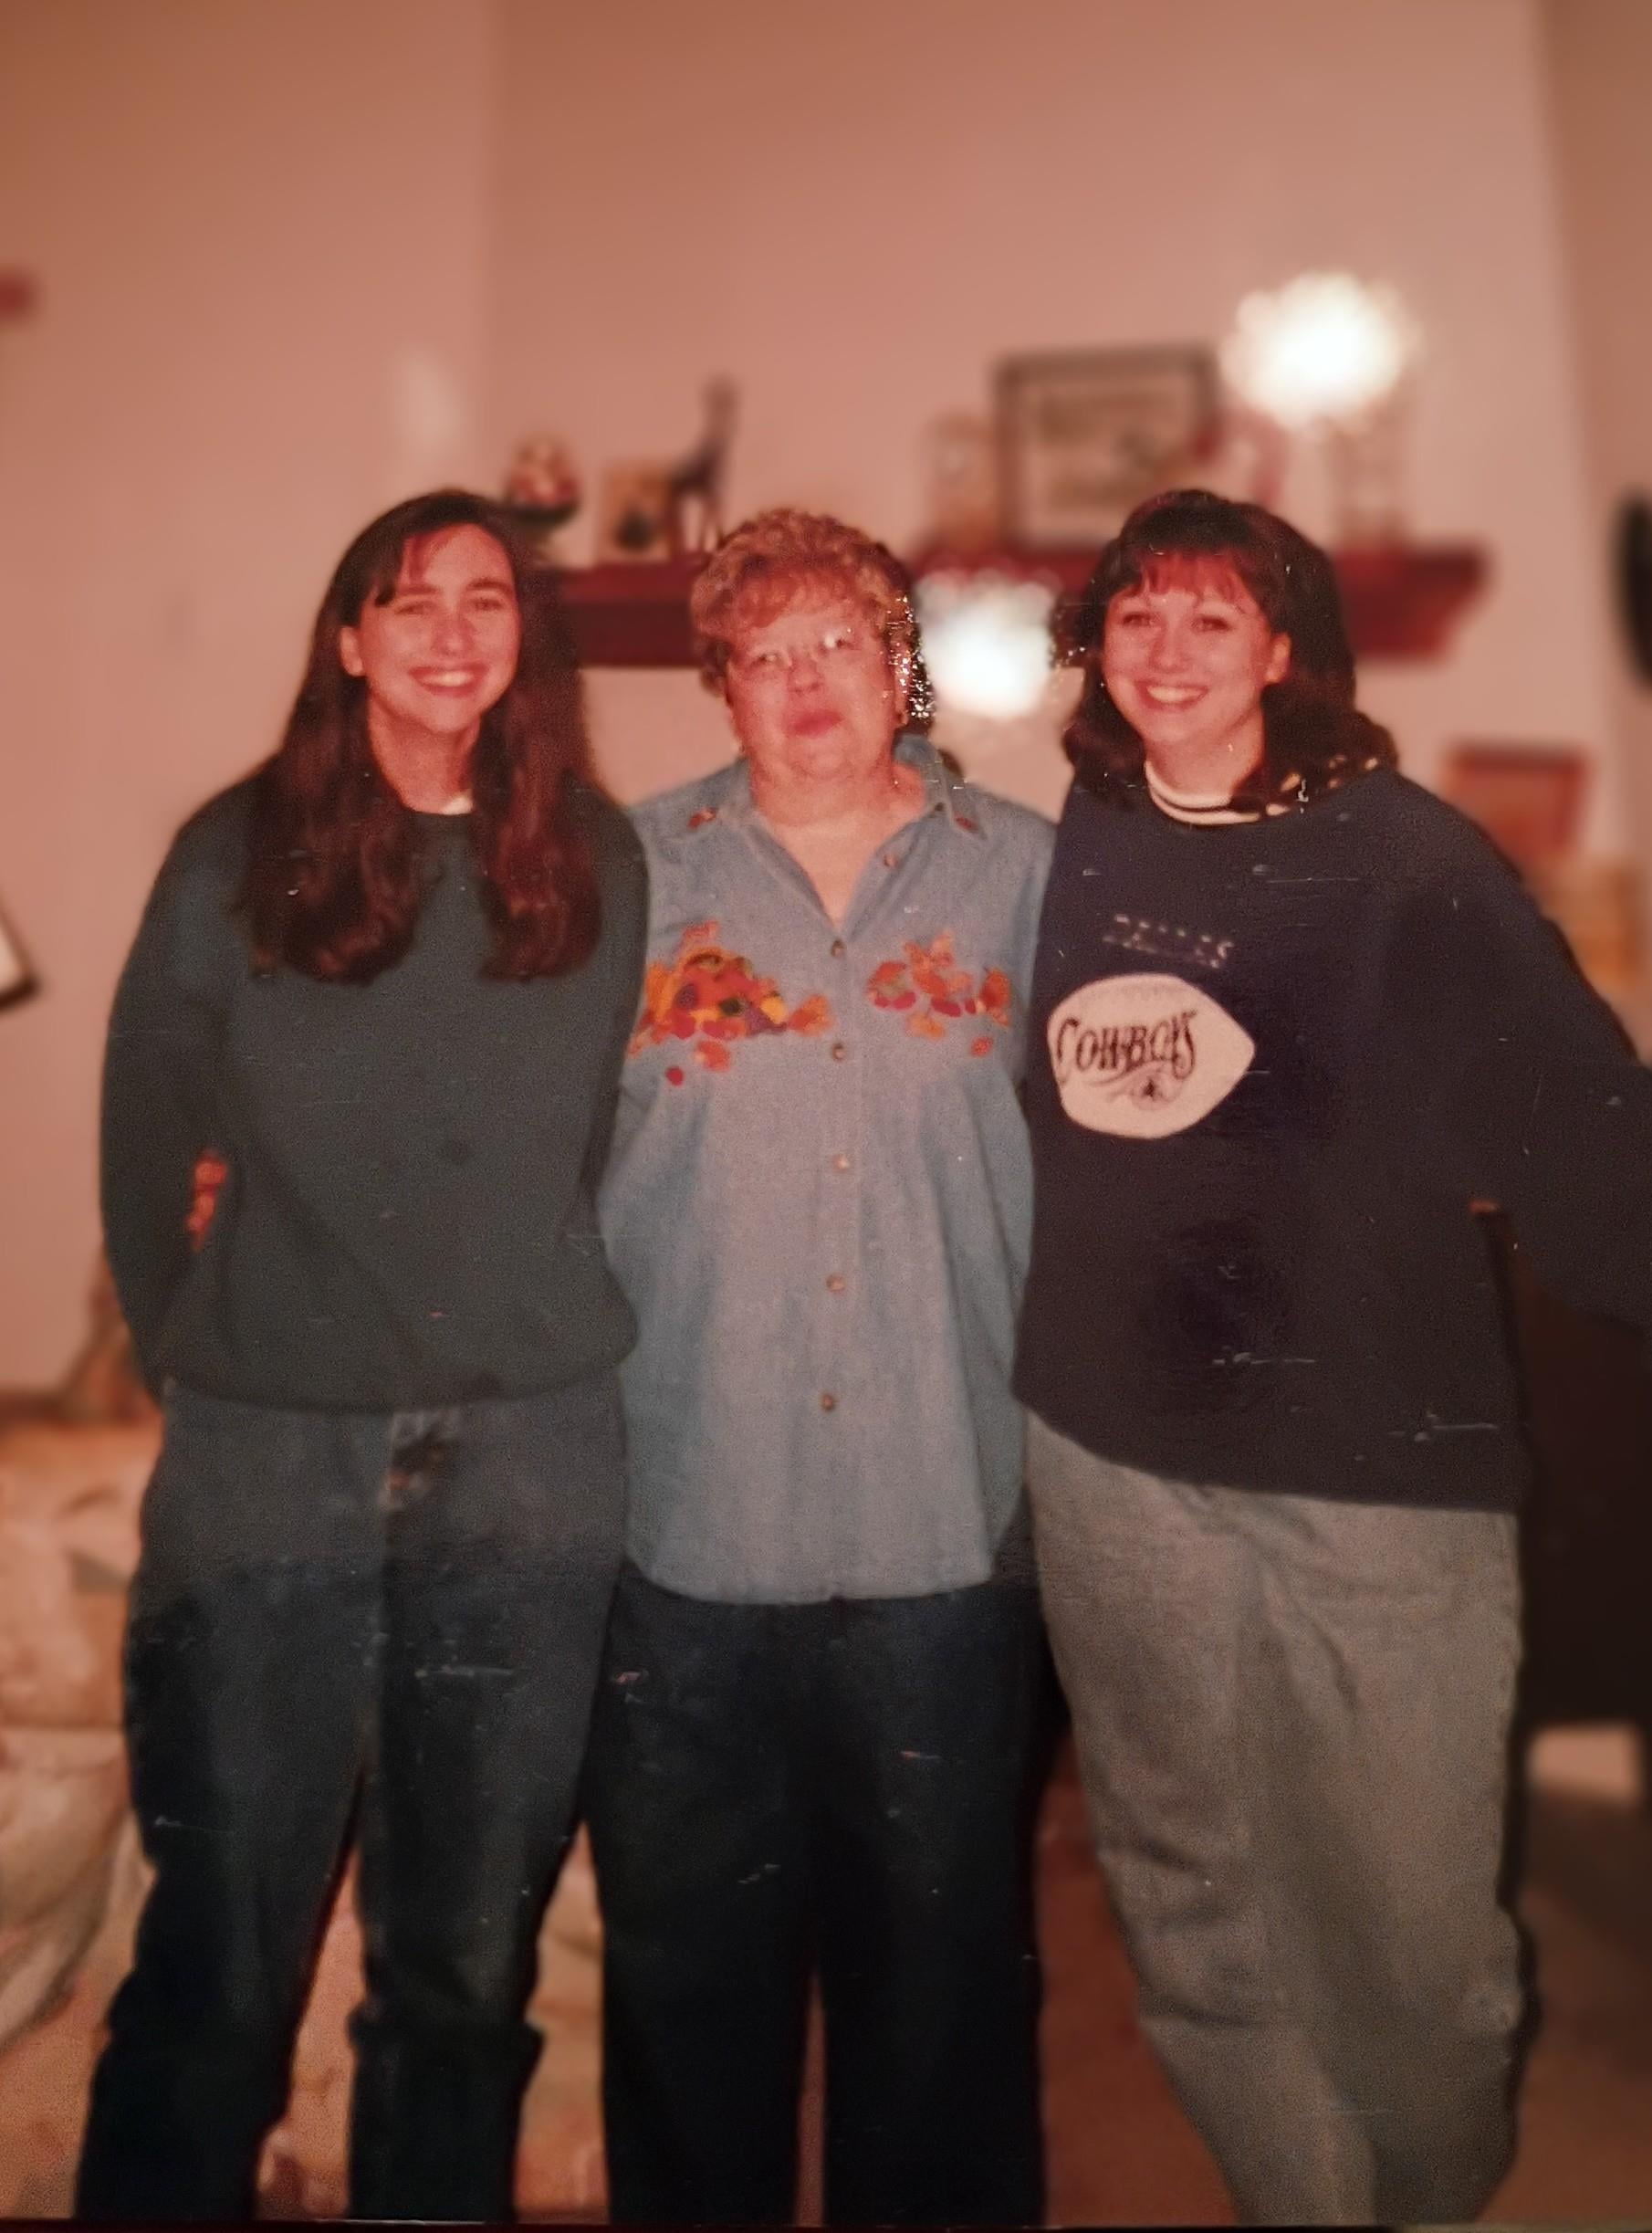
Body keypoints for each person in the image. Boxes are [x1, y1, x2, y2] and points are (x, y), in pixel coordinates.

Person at [1012, 489, 1652, 2227]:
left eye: (1209, 621)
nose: (1164, 653)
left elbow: (1583, 1126)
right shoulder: (1067, 843)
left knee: (1414, 1943)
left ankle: (1426, 2199)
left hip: (1372, 1470)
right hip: (1111, 1458)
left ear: (1285, 650)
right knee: (1189, 1901)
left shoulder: (1407, 862)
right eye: (1134, 617)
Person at [77, 489, 647, 2223]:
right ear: (347, 640)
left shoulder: (599, 856)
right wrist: (194, 1343)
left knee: (462, 1980)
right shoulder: (234, 849)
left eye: (487, 600)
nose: (455, 632)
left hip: (531, 1465)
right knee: (221, 1967)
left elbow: (611, 1123)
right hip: (269, 1463)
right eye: (410, 602)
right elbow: (143, 1117)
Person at [585, 508, 1053, 2227]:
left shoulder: (1026, 870)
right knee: (688, 2005)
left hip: (946, 1524)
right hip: (686, 1535)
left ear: (895, 661)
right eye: (760, 655)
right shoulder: (624, 879)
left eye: (836, 644)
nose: (802, 686)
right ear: (716, 684)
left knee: (941, 2010)